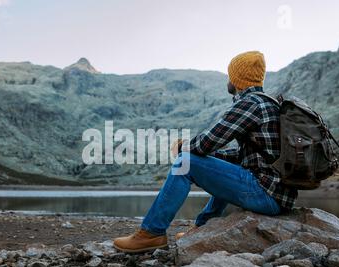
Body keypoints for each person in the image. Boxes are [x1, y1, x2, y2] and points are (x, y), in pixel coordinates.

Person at [113, 51, 298, 253]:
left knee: (185, 162)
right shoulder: (268, 102)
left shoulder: (250, 104)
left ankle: (151, 233)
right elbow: (243, 157)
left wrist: (183, 147)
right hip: (278, 195)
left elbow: (207, 142)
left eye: (230, 75)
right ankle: (203, 227)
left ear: (236, 78)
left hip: (265, 194)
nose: (228, 79)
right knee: (224, 165)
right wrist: (209, 159)